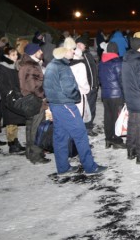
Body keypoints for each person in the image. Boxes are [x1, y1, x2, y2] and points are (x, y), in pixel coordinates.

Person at [44, 47, 106, 175]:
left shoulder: (51, 65)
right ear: (64, 52)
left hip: (56, 105)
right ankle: (90, 167)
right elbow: (70, 89)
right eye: (71, 50)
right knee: (81, 135)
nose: (73, 51)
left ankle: (63, 167)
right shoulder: (63, 67)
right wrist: (77, 97)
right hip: (66, 105)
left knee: (60, 137)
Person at [18, 43, 50, 164]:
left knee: (30, 127)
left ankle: (30, 152)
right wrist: (43, 96)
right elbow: (34, 86)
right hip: (36, 101)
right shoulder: (31, 66)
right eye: (39, 50)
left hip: (29, 100)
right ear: (34, 52)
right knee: (37, 129)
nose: (41, 51)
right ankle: (36, 155)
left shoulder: (28, 64)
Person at [0, 47, 26, 153]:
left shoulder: (13, 67)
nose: (16, 56)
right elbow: (2, 85)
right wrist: (10, 94)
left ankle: (15, 142)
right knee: (11, 122)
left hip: (15, 97)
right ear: (6, 56)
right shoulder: (3, 68)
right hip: (9, 99)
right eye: (13, 55)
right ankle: (12, 144)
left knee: (14, 122)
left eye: (16, 54)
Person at [98, 42, 127, 149]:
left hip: (106, 95)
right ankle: (117, 140)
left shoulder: (101, 62)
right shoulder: (117, 62)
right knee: (117, 117)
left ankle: (108, 138)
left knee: (108, 117)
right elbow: (122, 81)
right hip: (117, 95)